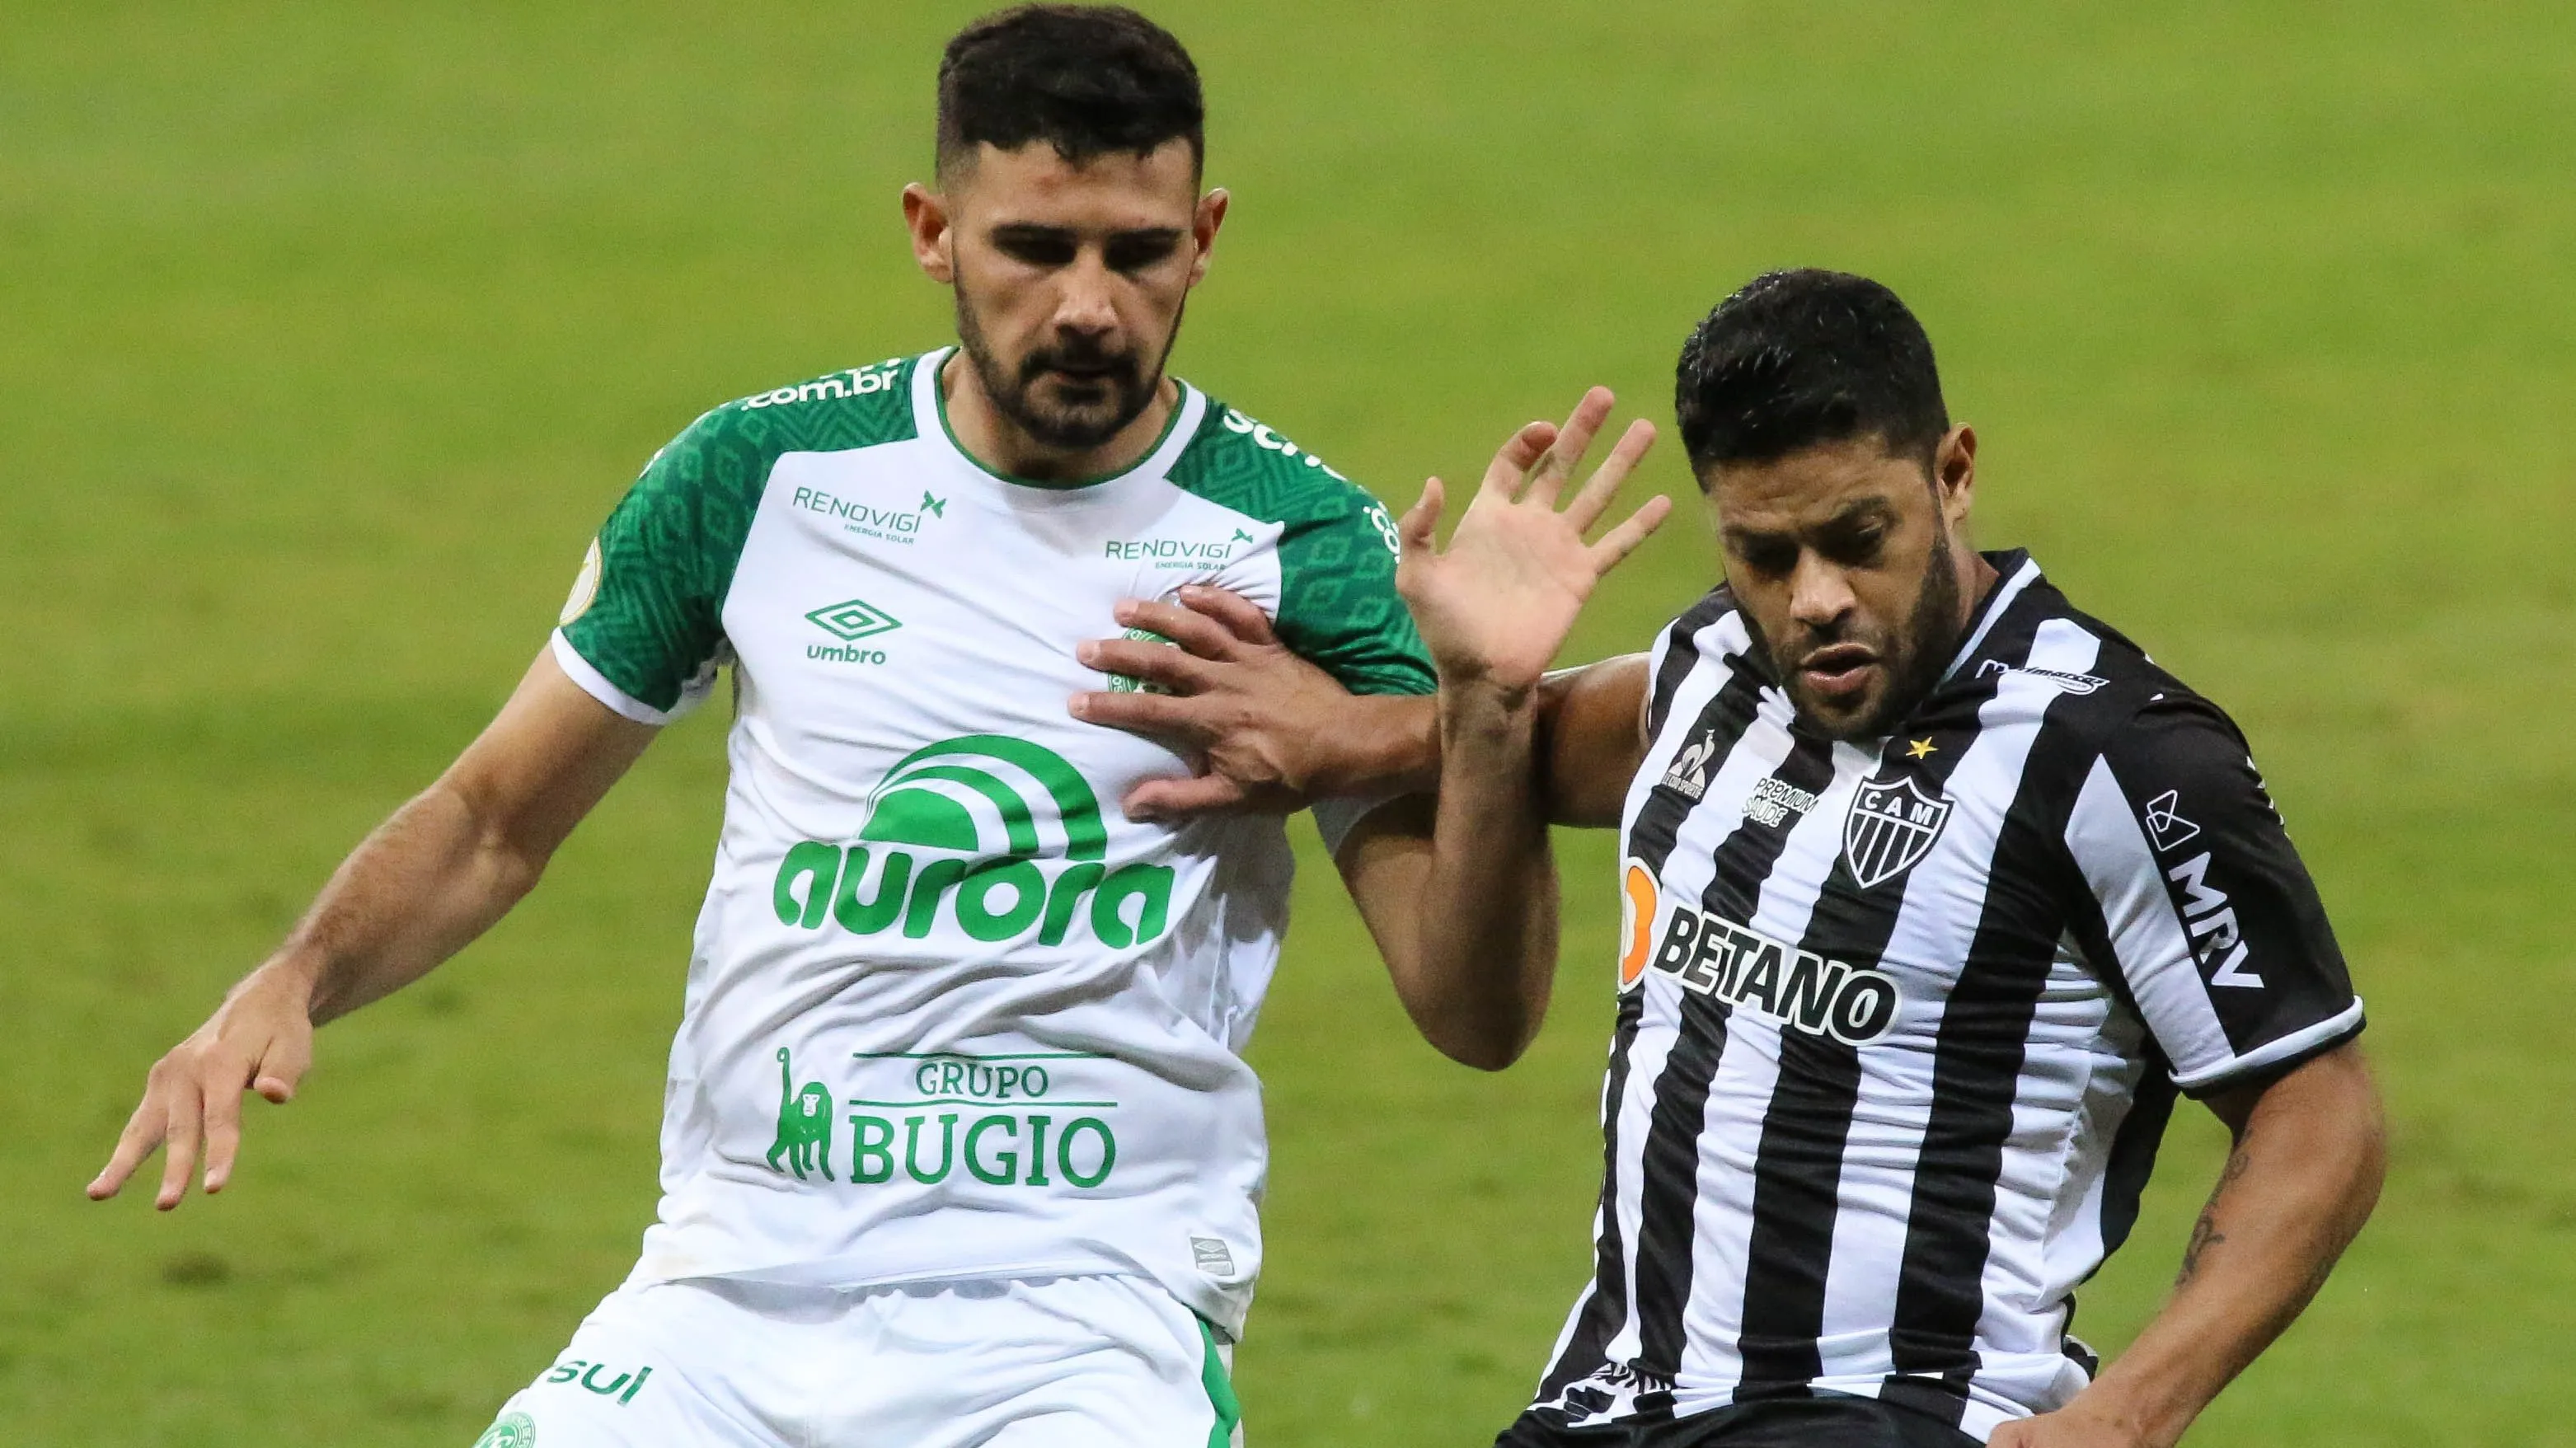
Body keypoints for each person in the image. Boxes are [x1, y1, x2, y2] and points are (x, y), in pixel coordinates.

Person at [85, 8, 1560, 1446]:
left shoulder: (1303, 546)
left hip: (1083, 1319)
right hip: (730, 1296)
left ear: (1208, 236)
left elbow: (1475, 1015)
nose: (1091, 305)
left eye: (1139, 251)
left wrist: (1480, 716)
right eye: (1034, 250)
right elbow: (492, 821)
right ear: (933, 231)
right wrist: (295, 977)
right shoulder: (759, 479)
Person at [1072, 269, 2386, 1447]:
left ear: (1955, 474)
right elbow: (1542, 749)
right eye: (1765, 554)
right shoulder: (1715, 668)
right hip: (1612, 1400)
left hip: (1885, 1411)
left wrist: (2132, 1413)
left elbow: (2321, 1110)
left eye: (1858, 540)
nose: (1815, 598)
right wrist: (1412, 714)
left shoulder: (2115, 755)